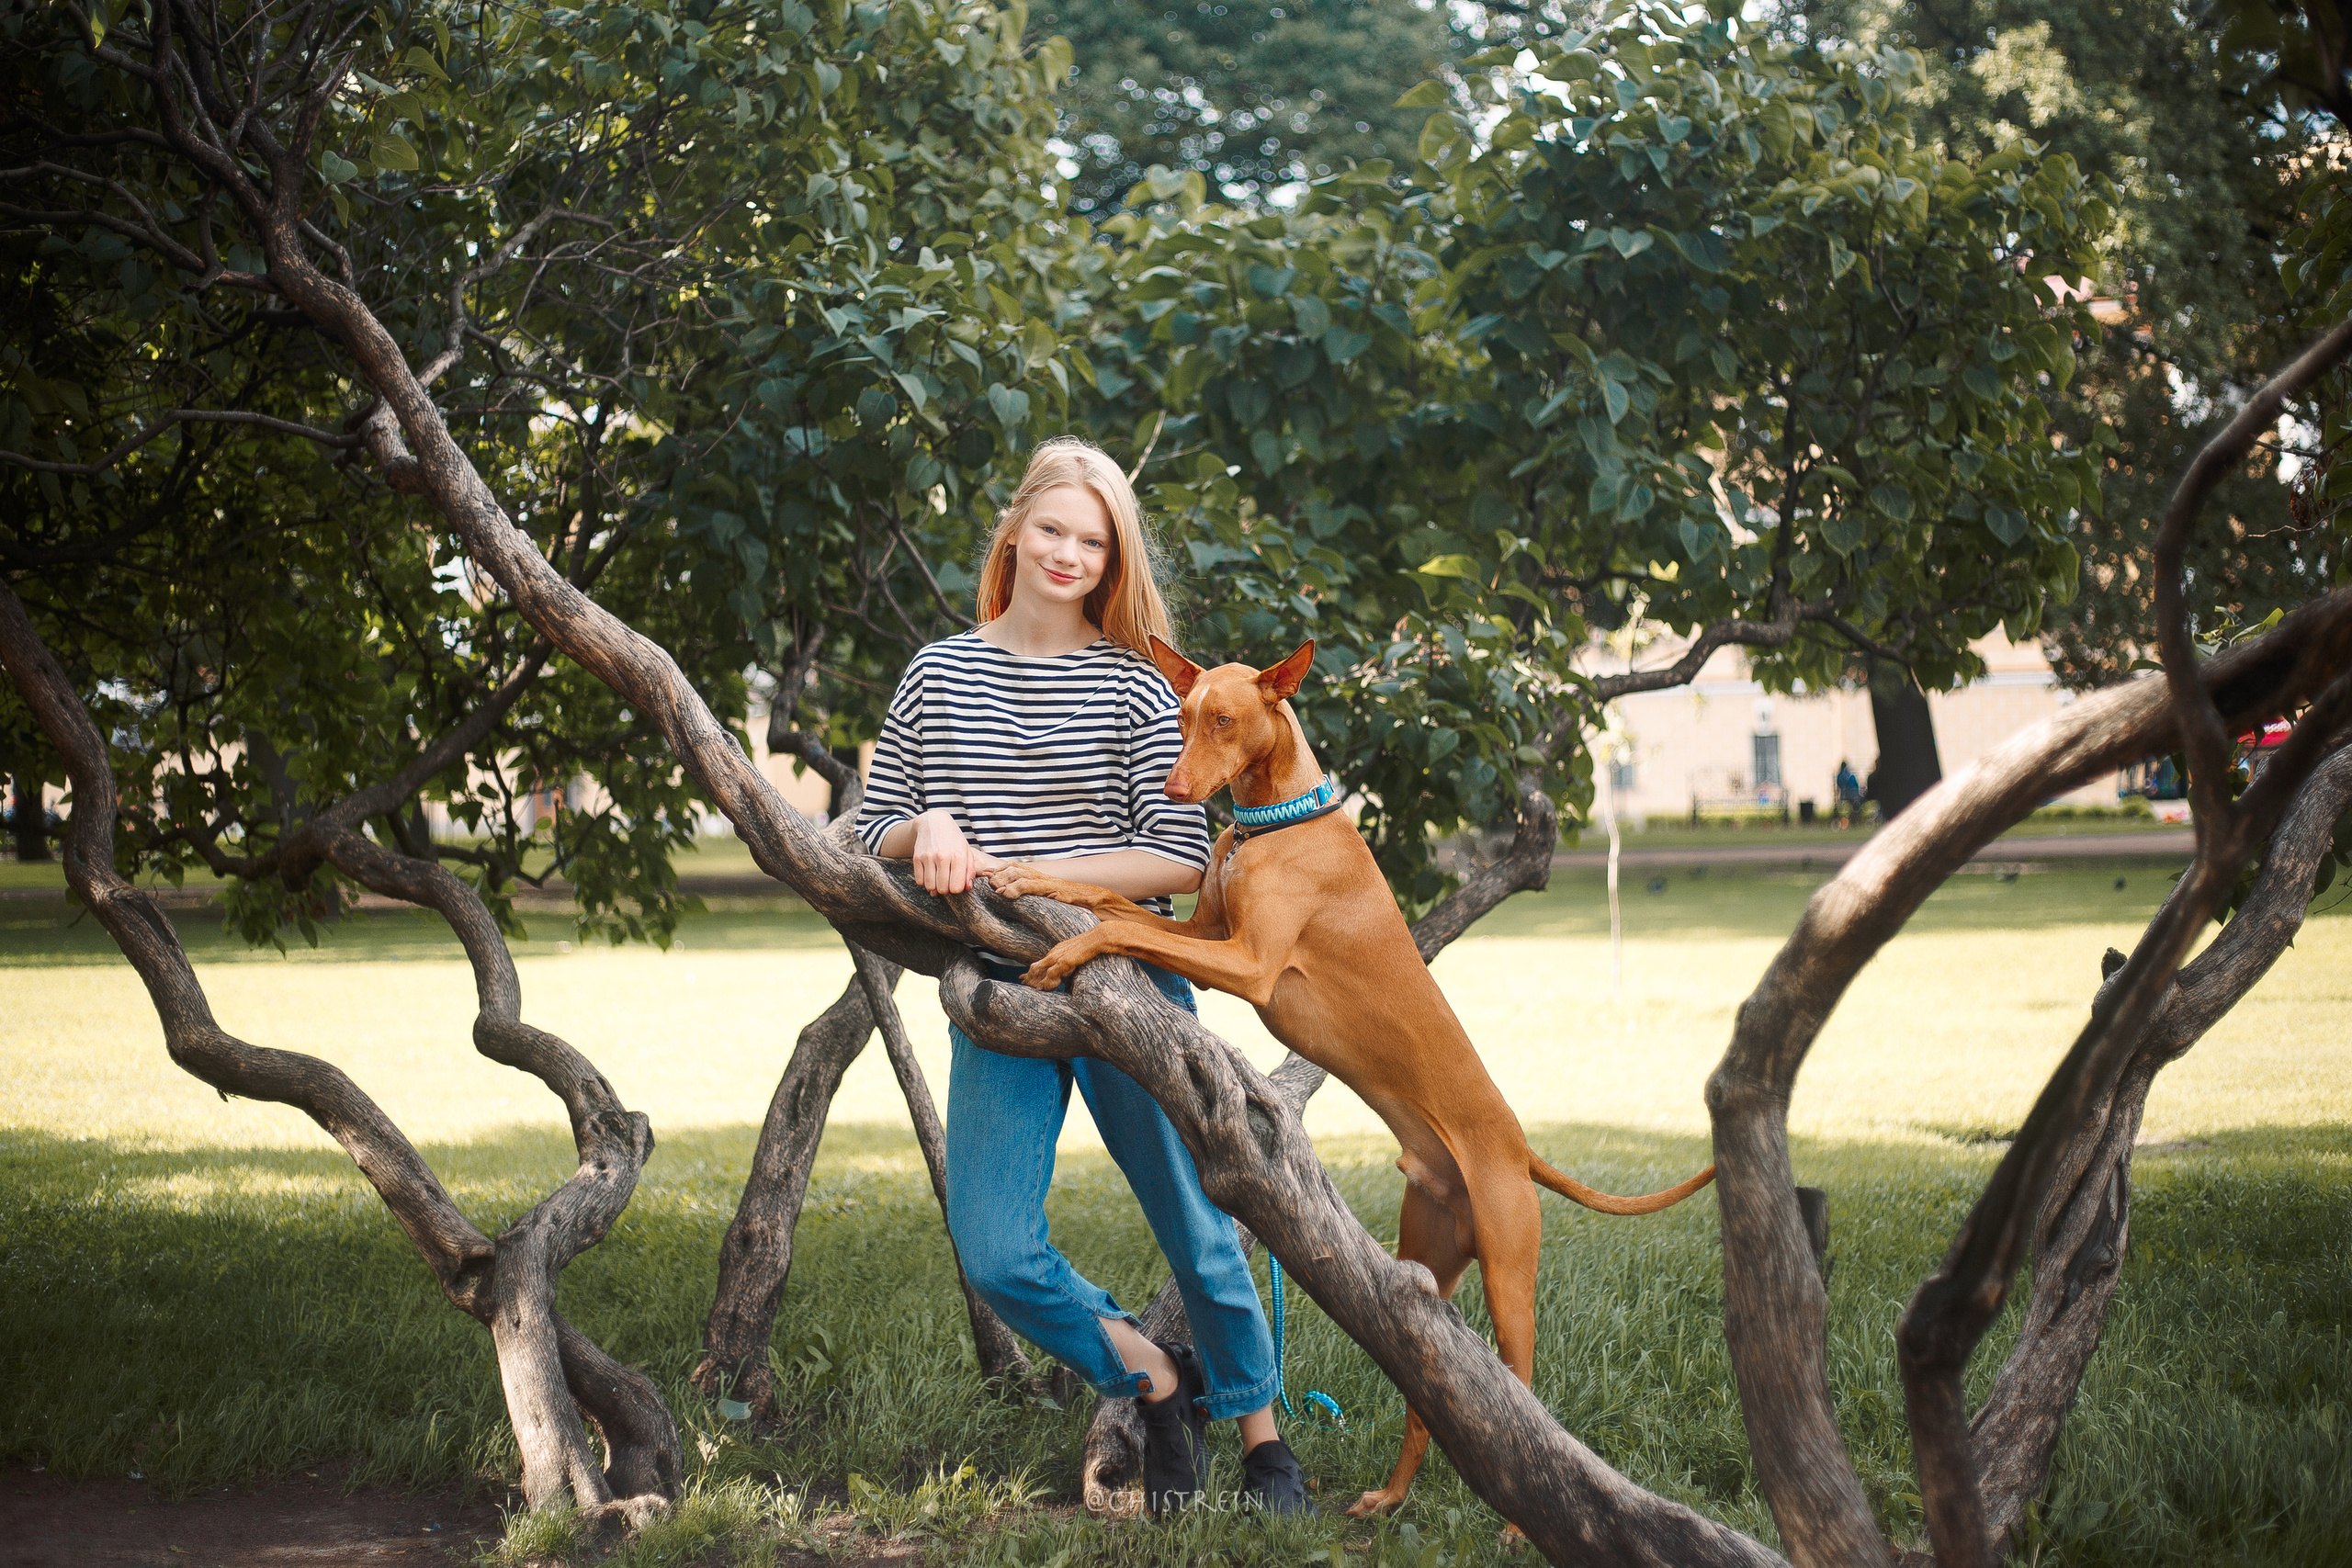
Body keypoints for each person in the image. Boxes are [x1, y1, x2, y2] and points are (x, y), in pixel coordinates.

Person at [854, 436, 1307, 1517]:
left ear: (1113, 561)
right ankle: (1149, 1375)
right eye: (1051, 528)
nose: (1067, 553)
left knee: (1199, 1227)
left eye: (1092, 542)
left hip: (1125, 987)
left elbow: (1177, 852)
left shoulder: (1140, 681)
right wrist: (932, 828)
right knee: (996, 1248)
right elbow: (870, 826)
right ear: (1014, 531)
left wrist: (1042, 873)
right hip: (1002, 998)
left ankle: (1261, 1438)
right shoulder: (938, 670)